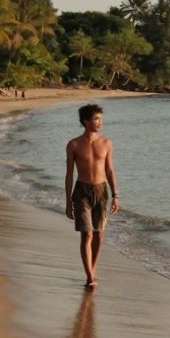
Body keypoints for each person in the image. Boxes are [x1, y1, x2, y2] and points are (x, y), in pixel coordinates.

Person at [65, 103, 119, 289]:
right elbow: (69, 174)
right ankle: (90, 277)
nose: (100, 122)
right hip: (81, 191)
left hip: (101, 191)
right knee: (86, 234)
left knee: (99, 235)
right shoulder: (74, 144)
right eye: (96, 119)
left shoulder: (106, 143)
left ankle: (92, 269)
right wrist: (67, 201)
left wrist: (116, 194)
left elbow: (110, 170)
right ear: (85, 121)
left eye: (101, 119)